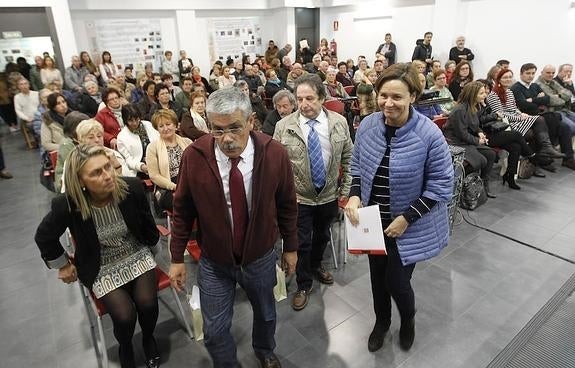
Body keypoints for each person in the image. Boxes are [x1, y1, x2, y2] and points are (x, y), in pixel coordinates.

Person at [168, 86, 298, 368]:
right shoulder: (195, 156)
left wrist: (291, 247)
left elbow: (287, 204)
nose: (226, 139)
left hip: (260, 256)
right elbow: (182, 209)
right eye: (217, 130)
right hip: (214, 261)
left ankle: (264, 350)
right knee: (214, 331)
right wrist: (177, 256)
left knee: (265, 314)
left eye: (235, 128)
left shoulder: (273, 153)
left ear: (251, 121)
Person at [344, 63, 453, 353]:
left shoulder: (429, 134)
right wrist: (354, 196)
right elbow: (358, 167)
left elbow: (441, 184)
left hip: (408, 225)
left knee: (397, 282)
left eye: (397, 97)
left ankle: (408, 320)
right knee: (377, 279)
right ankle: (381, 323)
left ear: (413, 97)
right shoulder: (367, 125)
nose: (388, 103)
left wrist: (407, 218)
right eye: (383, 96)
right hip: (372, 221)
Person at [35, 144, 161, 368]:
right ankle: (126, 347)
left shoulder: (131, 188)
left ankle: (149, 338)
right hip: (101, 263)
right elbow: (44, 237)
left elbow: (147, 223)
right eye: (96, 172)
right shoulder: (67, 205)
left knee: (148, 304)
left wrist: (153, 246)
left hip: (135, 252)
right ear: (81, 181)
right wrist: (63, 265)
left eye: (107, 167)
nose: (108, 175)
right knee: (124, 316)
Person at [273, 74, 353, 311]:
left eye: (310, 98)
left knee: (322, 236)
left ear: (322, 98)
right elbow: (275, 166)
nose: (304, 104)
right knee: (302, 242)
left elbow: (349, 157)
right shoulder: (283, 126)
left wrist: (346, 190)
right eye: (300, 99)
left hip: (329, 195)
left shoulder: (338, 122)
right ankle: (304, 283)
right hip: (299, 197)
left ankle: (317, 265)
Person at [487, 69, 564, 159]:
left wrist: (521, 114)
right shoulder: (493, 95)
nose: (508, 79)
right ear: (499, 79)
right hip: (506, 124)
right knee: (538, 122)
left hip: (515, 119)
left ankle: (542, 153)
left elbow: (514, 108)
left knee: (539, 126)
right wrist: (519, 118)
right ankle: (542, 152)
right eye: (505, 77)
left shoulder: (509, 92)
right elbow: (500, 115)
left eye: (510, 77)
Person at [477, 79, 539, 189]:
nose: (486, 92)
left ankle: (510, 176)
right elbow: (478, 121)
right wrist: (494, 115)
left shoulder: (485, 102)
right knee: (516, 135)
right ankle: (531, 156)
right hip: (482, 135)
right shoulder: (474, 104)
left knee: (516, 146)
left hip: (492, 131)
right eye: (483, 90)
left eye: (487, 89)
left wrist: (488, 109)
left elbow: (495, 116)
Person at [444, 82, 497, 197]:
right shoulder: (460, 110)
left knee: (491, 154)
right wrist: (478, 141)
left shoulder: (473, 106)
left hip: (464, 140)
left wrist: (480, 132)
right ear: (472, 95)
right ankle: (462, 187)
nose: (485, 95)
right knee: (480, 161)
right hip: (454, 142)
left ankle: (483, 184)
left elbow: (475, 124)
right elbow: (461, 134)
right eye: (481, 93)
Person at [146, 109, 191, 211]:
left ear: (175, 125)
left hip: (188, 181)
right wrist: (174, 186)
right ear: (157, 129)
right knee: (184, 204)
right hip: (166, 186)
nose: (165, 128)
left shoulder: (188, 142)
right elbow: (154, 176)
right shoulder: (152, 148)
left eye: (168, 124)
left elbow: (196, 168)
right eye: (161, 126)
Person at [117, 104, 159, 178]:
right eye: (130, 121)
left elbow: (159, 143)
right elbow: (128, 160)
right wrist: (142, 167)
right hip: (139, 169)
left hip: (157, 161)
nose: (135, 123)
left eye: (136, 119)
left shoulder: (148, 125)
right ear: (125, 120)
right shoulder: (122, 137)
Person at [54, 111, 90, 192]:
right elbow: (76, 168)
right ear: (75, 129)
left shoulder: (85, 139)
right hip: (67, 180)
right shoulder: (66, 144)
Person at [14, 77, 40, 145]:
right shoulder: (17, 97)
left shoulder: (36, 94)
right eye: (21, 84)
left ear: (29, 85)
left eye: (25, 83)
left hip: (40, 115)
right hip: (29, 118)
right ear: (18, 87)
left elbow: (41, 106)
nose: (24, 86)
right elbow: (18, 111)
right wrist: (26, 118)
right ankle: (37, 138)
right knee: (31, 125)